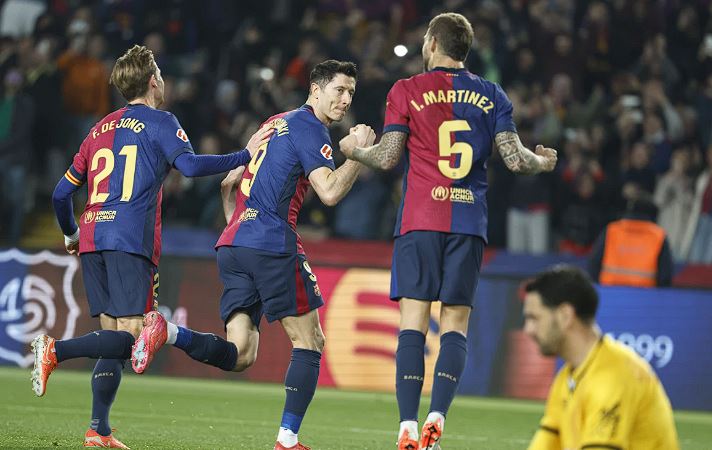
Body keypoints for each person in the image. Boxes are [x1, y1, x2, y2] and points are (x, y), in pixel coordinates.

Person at [31, 44, 271, 449]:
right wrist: (245, 155)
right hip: (128, 239)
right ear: (153, 81)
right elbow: (189, 166)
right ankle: (55, 349)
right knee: (135, 336)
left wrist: (71, 234)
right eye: (159, 72)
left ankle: (98, 430)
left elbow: (60, 194)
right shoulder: (161, 122)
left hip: (92, 236)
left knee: (112, 336)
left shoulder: (99, 128)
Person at [340, 12, 558, 450]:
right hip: (468, 223)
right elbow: (516, 160)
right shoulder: (492, 94)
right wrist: (543, 161)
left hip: (420, 219)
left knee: (413, 323)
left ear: (434, 43)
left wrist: (353, 151)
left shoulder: (406, 90)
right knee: (455, 324)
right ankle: (436, 419)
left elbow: (387, 157)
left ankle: (407, 425)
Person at [131, 60, 375, 450]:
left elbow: (229, 183)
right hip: (272, 242)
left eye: (351, 93)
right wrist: (358, 155)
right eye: (339, 90)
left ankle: (168, 330)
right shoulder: (311, 128)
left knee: (241, 353)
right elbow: (329, 192)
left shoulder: (274, 122)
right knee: (310, 341)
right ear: (315, 90)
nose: (345, 100)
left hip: (234, 244)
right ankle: (287, 440)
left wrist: (237, 225)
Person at [523, 265, 680, 450]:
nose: (528, 329)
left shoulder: (614, 375)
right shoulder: (567, 378)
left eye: (535, 318)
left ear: (565, 316)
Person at [589, 199, 674, 287]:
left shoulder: (611, 230)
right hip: (646, 292)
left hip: (608, 290)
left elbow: (594, 262)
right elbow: (665, 272)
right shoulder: (659, 235)